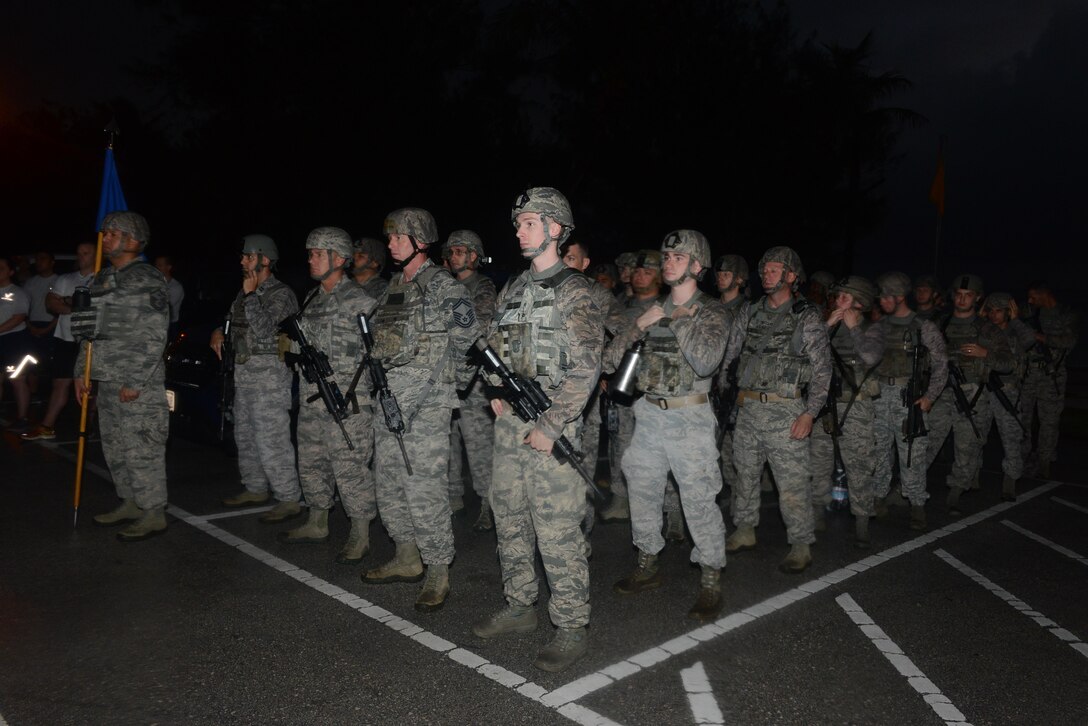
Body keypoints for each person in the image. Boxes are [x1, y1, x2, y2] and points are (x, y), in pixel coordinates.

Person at [471, 187, 600, 672]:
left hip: (554, 427)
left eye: (529, 222)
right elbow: (495, 345)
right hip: (512, 428)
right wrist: (494, 388)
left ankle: (570, 625)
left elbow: (587, 367)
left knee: (557, 526)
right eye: (518, 222)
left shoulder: (575, 290)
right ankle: (520, 605)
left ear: (555, 228)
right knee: (509, 515)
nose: (519, 230)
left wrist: (550, 424)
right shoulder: (513, 288)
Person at [607, 230, 729, 620]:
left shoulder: (712, 311)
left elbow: (707, 362)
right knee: (642, 489)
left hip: (690, 416)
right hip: (648, 413)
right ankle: (647, 562)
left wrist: (678, 320)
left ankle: (710, 576)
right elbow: (610, 360)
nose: (668, 261)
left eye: (678, 256)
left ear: (697, 265)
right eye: (666, 256)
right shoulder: (651, 309)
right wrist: (638, 325)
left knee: (697, 497)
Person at [362, 208, 479, 613]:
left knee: (425, 489)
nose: (391, 242)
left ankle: (437, 570)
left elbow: (468, 339)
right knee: (389, 482)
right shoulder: (393, 286)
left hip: (427, 406)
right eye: (390, 236)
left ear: (420, 241)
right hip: (389, 400)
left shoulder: (444, 287)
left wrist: (448, 385)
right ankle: (406, 556)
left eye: (398, 237)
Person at [723, 246, 831, 574]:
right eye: (765, 270)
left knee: (792, 481)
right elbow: (732, 354)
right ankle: (744, 530)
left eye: (774, 270)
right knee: (745, 473)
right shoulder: (751, 312)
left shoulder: (806, 316)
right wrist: (725, 395)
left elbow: (823, 370)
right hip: (749, 406)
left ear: (791, 276)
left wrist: (809, 413)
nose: (766, 275)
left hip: (786, 411)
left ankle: (800, 543)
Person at [278, 228, 378, 565]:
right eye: (310, 253)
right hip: (311, 398)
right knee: (311, 463)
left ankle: (360, 533)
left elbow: (376, 356)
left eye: (318, 253)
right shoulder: (311, 300)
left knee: (350, 469)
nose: (311, 259)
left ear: (339, 258)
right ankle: (317, 521)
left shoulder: (362, 302)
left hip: (348, 401)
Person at [70, 212, 170, 541]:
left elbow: (155, 335)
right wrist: (80, 373)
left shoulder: (147, 279)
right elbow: (89, 331)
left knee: (142, 446)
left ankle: (153, 511)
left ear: (133, 240)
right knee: (115, 447)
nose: (106, 238)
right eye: (106, 233)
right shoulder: (100, 280)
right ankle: (129, 502)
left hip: (136, 382)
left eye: (113, 233)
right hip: (106, 378)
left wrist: (136, 381)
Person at [212, 235, 303, 524]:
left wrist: (251, 296)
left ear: (264, 259)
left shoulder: (281, 294)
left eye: (248, 257)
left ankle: (288, 497)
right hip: (244, 377)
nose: (242, 261)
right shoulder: (244, 292)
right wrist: (217, 331)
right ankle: (255, 487)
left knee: (271, 439)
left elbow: (265, 330)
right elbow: (231, 321)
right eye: (243, 257)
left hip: (270, 381)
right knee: (246, 436)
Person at [925, 274, 1014, 515]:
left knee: (967, 447)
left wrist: (986, 354)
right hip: (942, 393)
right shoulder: (939, 324)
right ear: (954, 296)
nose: (963, 299)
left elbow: (1008, 363)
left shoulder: (988, 329)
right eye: (959, 294)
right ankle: (910, 486)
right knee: (928, 440)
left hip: (973, 396)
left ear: (977, 298)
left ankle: (955, 491)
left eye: (969, 295)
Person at [808, 276, 884, 546]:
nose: (836, 301)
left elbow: (871, 357)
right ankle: (817, 511)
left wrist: (853, 329)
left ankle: (862, 521)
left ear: (859, 302)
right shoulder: (824, 326)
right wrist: (827, 326)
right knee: (819, 462)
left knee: (859, 465)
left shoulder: (871, 329)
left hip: (856, 407)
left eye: (844, 297)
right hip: (824, 406)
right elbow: (803, 352)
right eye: (836, 296)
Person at [869, 272, 948, 529]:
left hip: (909, 398)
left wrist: (929, 397)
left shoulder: (924, 327)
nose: (881, 301)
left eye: (885, 296)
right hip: (879, 395)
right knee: (879, 450)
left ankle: (916, 504)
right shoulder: (880, 326)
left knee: (912, 453)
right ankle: (878, 496)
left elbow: (941, 365)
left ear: (900, 296)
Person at [598, 249, 664, 524]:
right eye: (636, 271)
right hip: (624, 390)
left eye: (646, 271)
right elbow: (609, 341)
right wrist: (605, 374)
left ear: (660, 276)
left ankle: (671, 513)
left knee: (661, 453)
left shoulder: (668, 307)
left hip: (657, 391)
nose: (638, 275)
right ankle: (621, 498)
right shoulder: (621, 306)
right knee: (621, 447)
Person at [440, 229, 498, 530]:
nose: (453, 256)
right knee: (447, 444)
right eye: (450, 251)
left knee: (479, 447)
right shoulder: (444, 287)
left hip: (474, 381)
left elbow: (480, 327)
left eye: (459, 251)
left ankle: (489, 504)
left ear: (474, 256)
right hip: (446, 377)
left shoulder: (483, 287)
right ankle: (453, 497)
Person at [21, 243, 96, 440]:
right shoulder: (66, 279)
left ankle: (88, 427)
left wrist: (67, 301)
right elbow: (50, 303)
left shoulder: (102, 279)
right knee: (60, 383)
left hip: (90, 341)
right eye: (79, 253)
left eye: (86, 253)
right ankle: (47, 426)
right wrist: (75, 304)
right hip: (65, 337)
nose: (81, 257)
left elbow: (95, 308)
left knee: (90, 386)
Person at [1020, 280, 1079, 479]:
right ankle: (1022, 459)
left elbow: (1068, 341)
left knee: (1049, 420)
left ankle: (1044, 461)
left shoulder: (1066, 314)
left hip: (1052, 374)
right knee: (1022, 418)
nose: (1029, 300)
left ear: (1044, 294)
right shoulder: (1030, 313)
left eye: (1033, 296)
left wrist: (1040, 337)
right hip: (1028, 373)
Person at [980, 293, 1036, 500]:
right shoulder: (985, 330)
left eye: (999, 310)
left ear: (1007, 312)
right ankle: (971, 475)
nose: (994, 315)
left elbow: (1030, 340)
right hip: (984, 388)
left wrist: (1016, 319)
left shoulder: (1016, 332)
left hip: (1008, 390)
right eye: (990, 310)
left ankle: (1010, 482)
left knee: (1011, 438)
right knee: (977, 434)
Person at [712, 254, 750, 510]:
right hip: (711, 386)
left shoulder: (748, 310)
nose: (720, 278)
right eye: (719, 273)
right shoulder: (711, 307)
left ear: (739, 279)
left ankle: (740, 503)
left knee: (738, 451)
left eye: (726, 274)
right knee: (713, 447)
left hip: (737, 388)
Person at [0, 255, 32, 431]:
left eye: (2, 267)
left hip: (14, 340)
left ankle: (22, 418)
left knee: (17, 380)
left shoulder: (18, 293)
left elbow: (19, 317)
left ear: (11, 272)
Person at [23, 251, 59, 398]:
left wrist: (48, 328)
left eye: (43, 258)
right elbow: (23, 307)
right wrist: (30, 326)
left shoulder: (59, 281)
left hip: (53, 325)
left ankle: (50, 396)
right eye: (37, 259)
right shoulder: (30, 282)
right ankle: (33, 395)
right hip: (32, 325)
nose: (39, 262)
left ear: (52, 262)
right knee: (31, 362)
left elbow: (61, 309)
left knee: (51, 362)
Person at [153, 255, 185, 340]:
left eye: (160, 265)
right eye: (156, 265)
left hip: (169, 326)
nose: (156, 268)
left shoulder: (176, 287)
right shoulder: (153, 284)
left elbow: (161, 307)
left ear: (169, 267)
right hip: (154, 324)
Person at [351, 236, 389, 301]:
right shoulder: (346, 284)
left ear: (374, 263)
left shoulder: (383, 289)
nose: (354, 257)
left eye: (361, 256)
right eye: (354, 253)